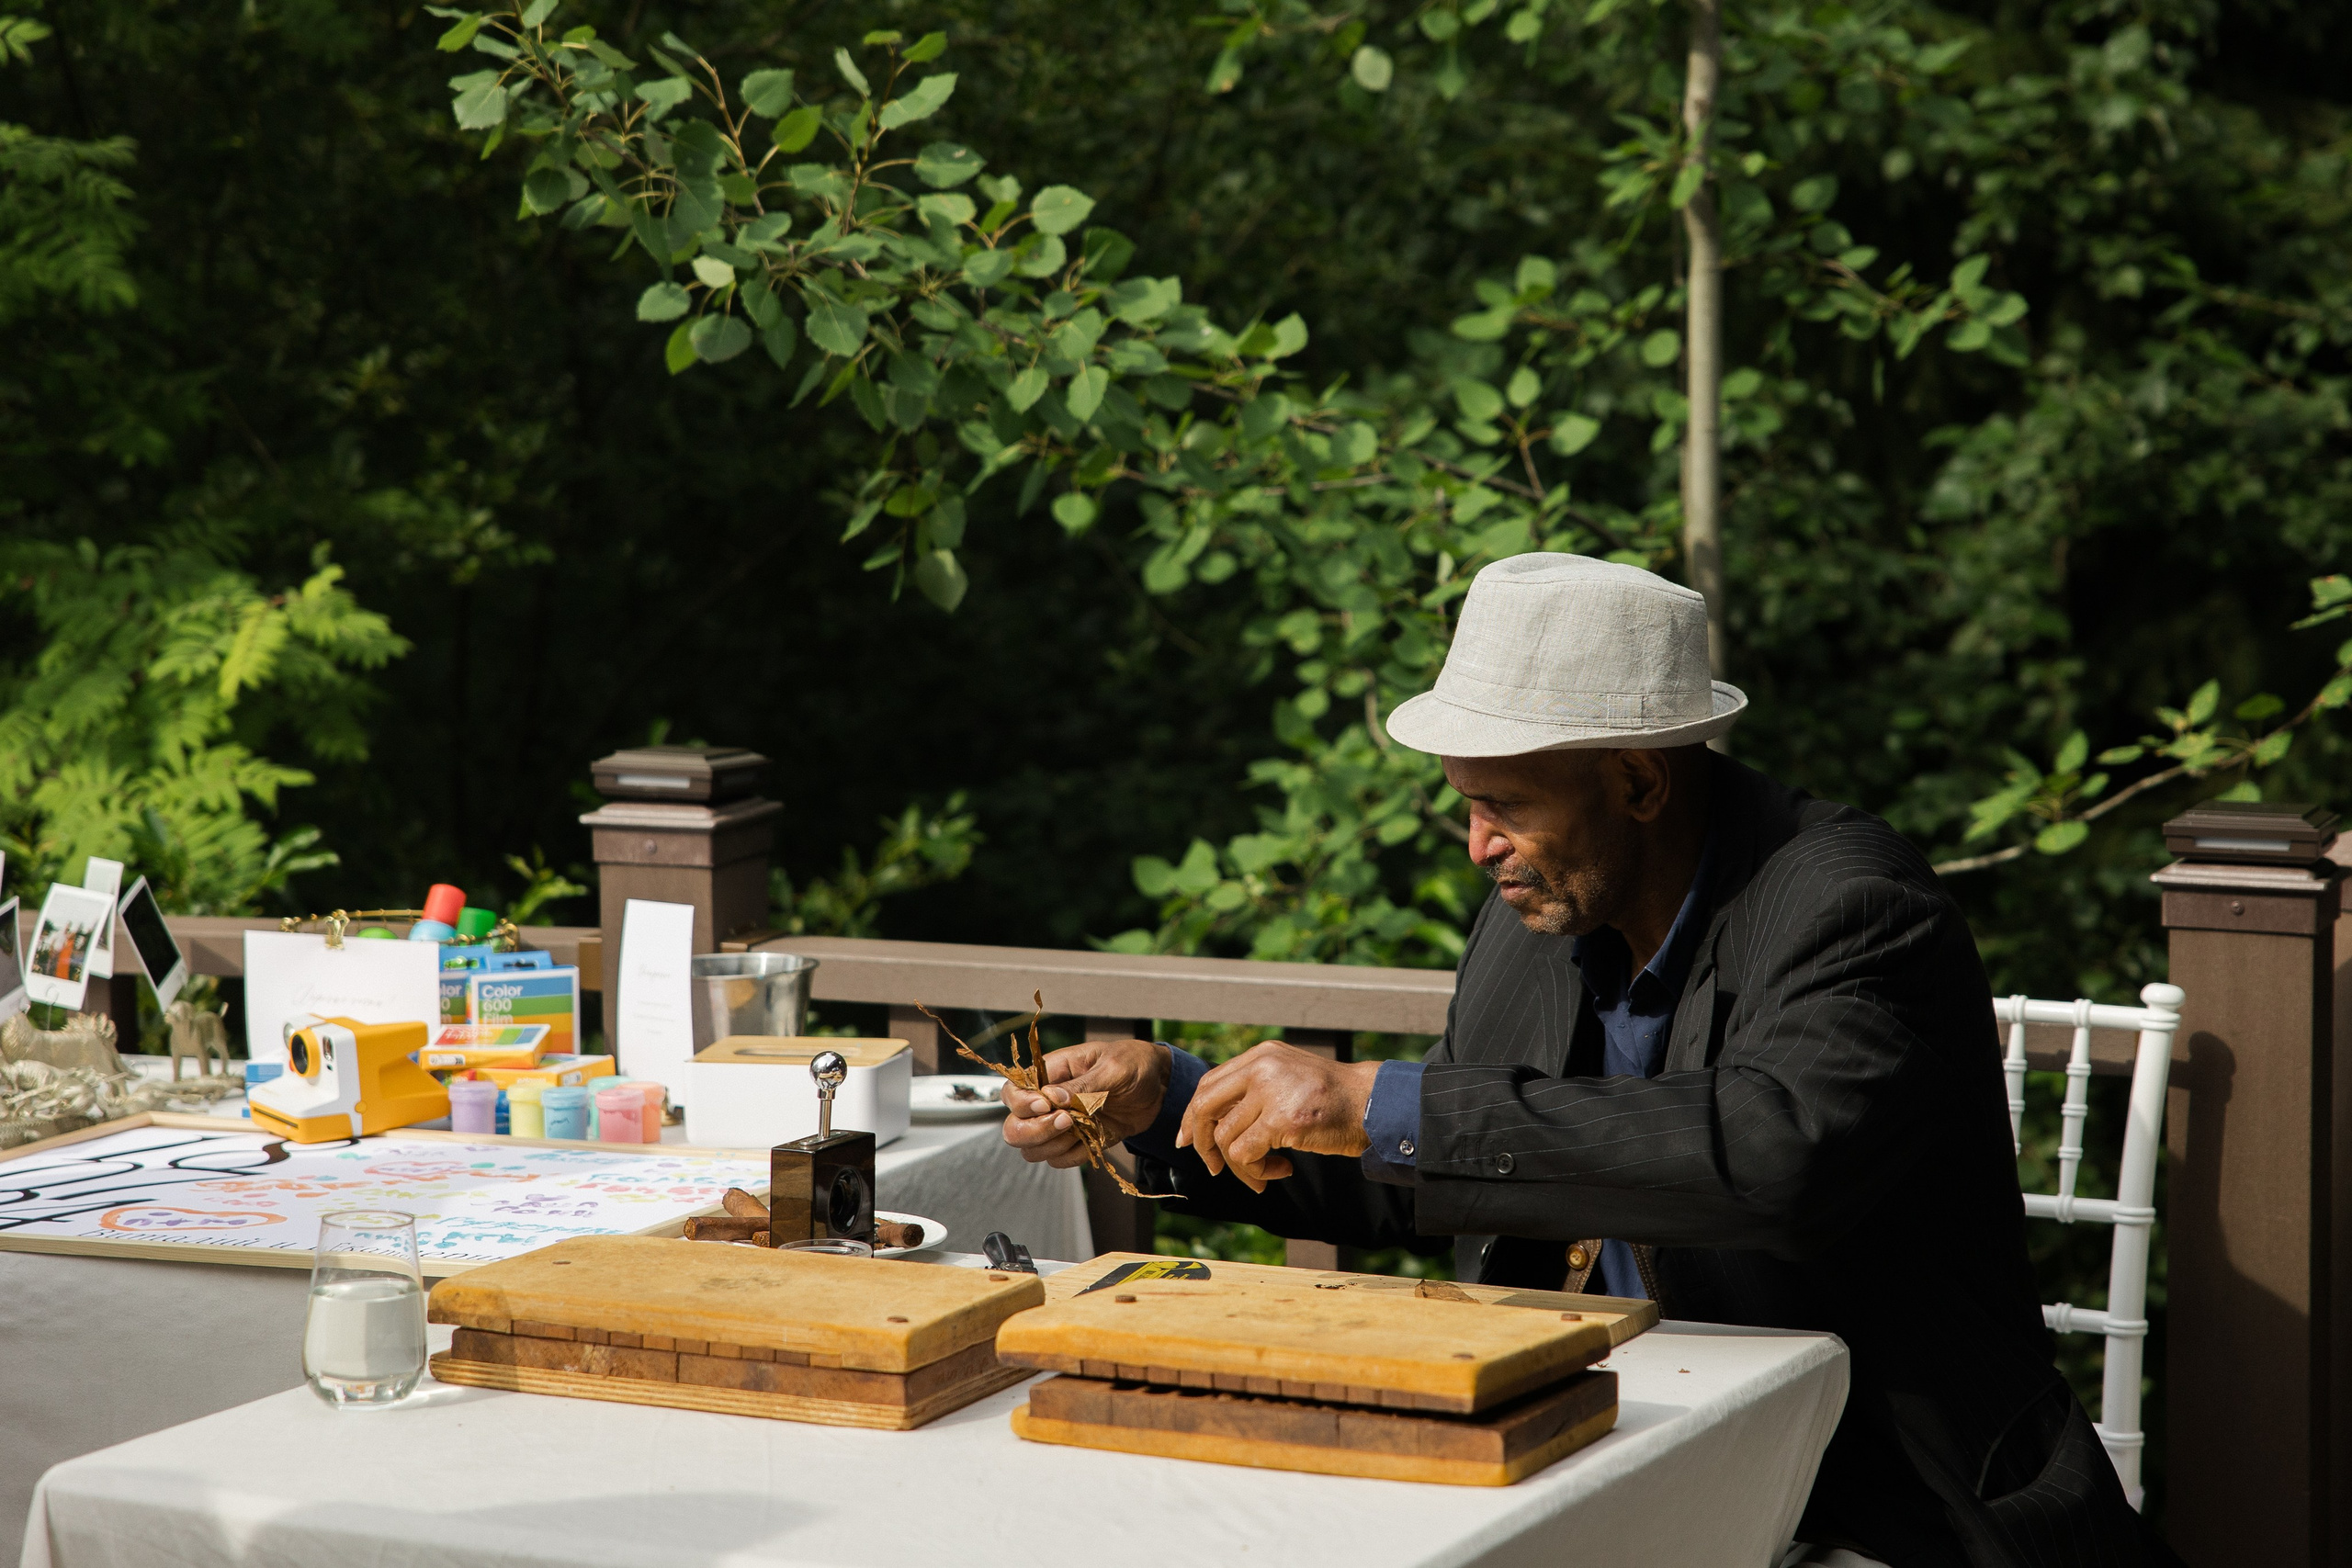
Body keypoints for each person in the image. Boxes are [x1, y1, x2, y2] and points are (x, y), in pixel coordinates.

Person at [1003, 554, 2170, 1568]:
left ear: (1639, 781)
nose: (1476, 846)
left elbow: (1770, 1157)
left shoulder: (1855, 906)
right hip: (1581, 1447)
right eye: (1464, 804)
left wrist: (1380, 1100)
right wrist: (1170, 1102)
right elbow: (1424, 1164)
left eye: (1503, 803)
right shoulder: (1542, 913)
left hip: (1864, 1492)